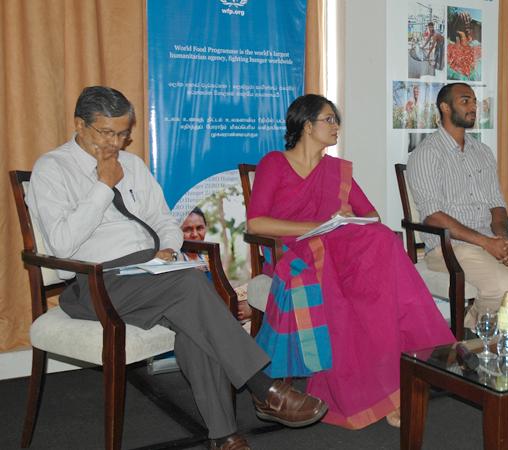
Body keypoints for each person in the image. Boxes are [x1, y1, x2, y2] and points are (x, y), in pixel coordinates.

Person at [27, 86, 327, 450]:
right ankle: (263, 387)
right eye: (107, 133)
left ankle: (224, 436)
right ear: (79, 124)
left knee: (195, 323)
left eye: (124, 133)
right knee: (190, 288)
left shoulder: (134, 166)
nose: (117, 143)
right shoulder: (52, 168)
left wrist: (169, 247)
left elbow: (164, 219)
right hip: (95, 281)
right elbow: (60, 243)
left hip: (150, 273)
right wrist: (103, 186)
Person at [246, 94, 454, 429]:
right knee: (342, 282)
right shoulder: (275, 163)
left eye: (336, 120)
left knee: (382, 238)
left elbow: (371, 215)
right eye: (329, 119)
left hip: (338, 246)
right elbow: (256, 224)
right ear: (306, 124)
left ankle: (392, 387)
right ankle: (374, 393)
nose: (336, 127)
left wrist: (343, 217)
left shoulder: (335, 170)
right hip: (295, 252)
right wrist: (315, 227)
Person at [406, 82, 508, 332]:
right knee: (504, 285)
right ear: (445, 107)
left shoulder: (482, 152)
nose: (473, 107)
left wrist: (501, 239)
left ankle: (490, 330)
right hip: (449, 248)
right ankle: (488, 335)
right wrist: (485, 243)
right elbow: (433, 217)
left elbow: (497, 204)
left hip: (489, 241)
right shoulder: (426, 154)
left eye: (474, 102)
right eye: (465, 101)